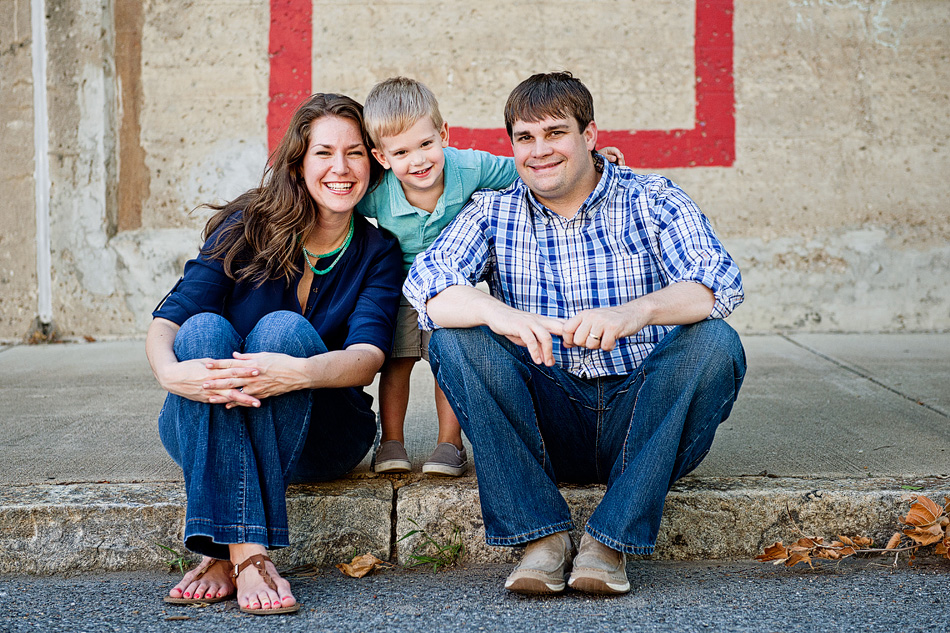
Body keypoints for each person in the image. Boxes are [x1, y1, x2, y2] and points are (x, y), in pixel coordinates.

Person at [404, 72, 746, 596]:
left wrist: (636, 312)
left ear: (588, 136)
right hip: (548, 416)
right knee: (456, 337)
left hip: (642, 415)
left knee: (716, 344)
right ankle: (542, 539)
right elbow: (427, 285)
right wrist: (503, 315)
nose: (539, 151)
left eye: (555, 133)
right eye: (525, 138)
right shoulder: (494, 209)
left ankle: (609, 542)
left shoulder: (652, 198)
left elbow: (718, 283)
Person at [146, 94, 402, 614]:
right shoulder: (244, 225)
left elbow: (369, 356)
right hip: (205, 417)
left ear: (372, 163)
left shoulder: (379, 250)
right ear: (298, 164)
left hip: (320, 432)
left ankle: (225, 552)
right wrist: (171, 375)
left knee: (283, 331)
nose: (341, 168)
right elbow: (168, 320)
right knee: (200, 331)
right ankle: (251, 554)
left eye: (354, 153)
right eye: (324, 153)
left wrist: (300, 373)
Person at [359, 76, 624, 477]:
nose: (418, 160)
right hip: (397, 285)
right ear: (381, 157)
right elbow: (335, 201)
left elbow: (532, 169)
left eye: (427, 144)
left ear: (443, 134)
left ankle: (449, 443)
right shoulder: (376, 192)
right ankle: (391, 440)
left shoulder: (470, 166)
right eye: (401, 152)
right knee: (397, 362)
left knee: (447, 356)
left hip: (455, 289)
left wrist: (593, 157)